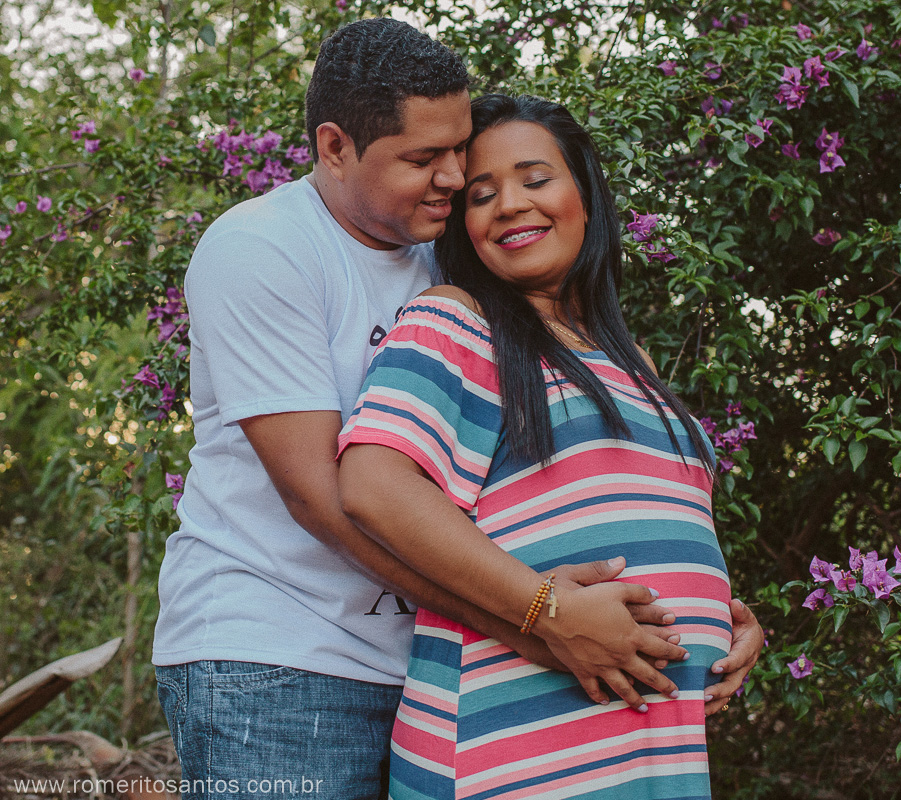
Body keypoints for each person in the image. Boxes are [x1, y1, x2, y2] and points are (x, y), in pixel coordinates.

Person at [152, 18, 761, 800]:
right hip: (280, 652)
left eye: (457, 153)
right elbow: (331, 497)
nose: (453, 177)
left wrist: (702, 608)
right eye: (423, 159)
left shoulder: (451, 261)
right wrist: (538, 620)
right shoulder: (262, 249)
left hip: (422, 652)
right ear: (335, 147)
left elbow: (540, 490)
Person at [338, 94, 736, 799]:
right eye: (481, 195)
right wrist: (546, 609)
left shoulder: (633, 360)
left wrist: (729, 621)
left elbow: (654, 526)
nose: (509, 204)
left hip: (652, 743)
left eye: (535, 178)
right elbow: (373, 483)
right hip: (513, 745)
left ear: (586, 191)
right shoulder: (458, 322)